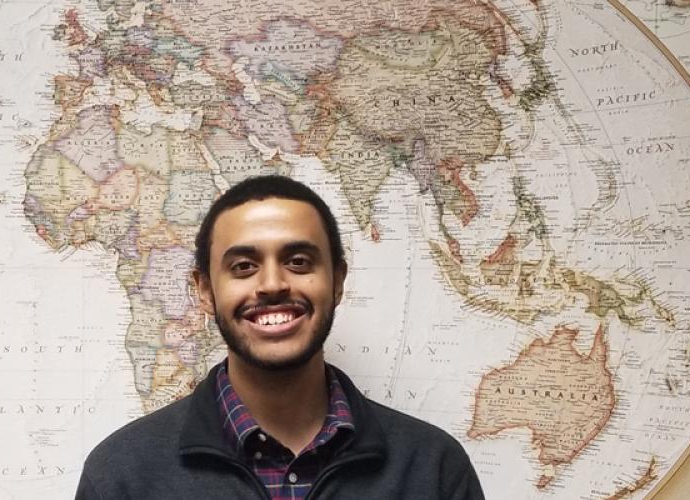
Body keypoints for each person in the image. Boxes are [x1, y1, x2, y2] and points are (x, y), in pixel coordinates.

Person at [76, 175, 485, 499]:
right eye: (242, 266)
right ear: (204, 290)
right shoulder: (121, 476)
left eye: (298, 261)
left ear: (337, 281)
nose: (272, 284)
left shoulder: (433, 469)